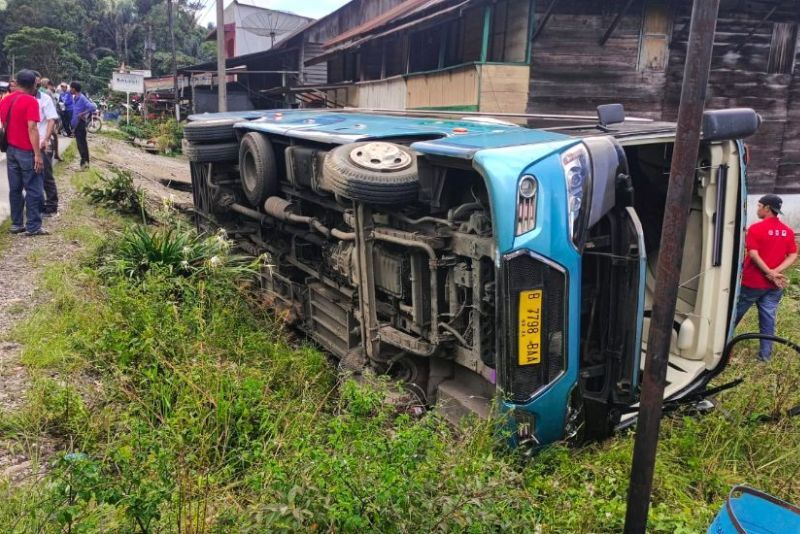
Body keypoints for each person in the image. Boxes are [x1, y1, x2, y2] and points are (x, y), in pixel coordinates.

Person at [735, 194, 798, 361]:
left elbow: (753, 254)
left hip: (752, 283)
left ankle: (720, 354)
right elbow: (793, 255)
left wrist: (770, 272)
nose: (758, 209)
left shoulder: (755, 229)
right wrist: (775, 272)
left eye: (759, 206)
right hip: (773, 286)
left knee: (732, 318)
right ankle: (765, 357)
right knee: (768, 320)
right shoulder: (788, 231)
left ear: (767, 208)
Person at [0, 70, 46, 236]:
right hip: (26, 151)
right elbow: (32, 128)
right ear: (33, 85)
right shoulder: (31, 101)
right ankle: (33, 226)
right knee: (34, 189)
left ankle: (16, 224)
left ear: (17, 82)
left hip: (10, 150)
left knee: (15, 189)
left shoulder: (5, 100)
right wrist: (38, 155)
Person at [34, 73, 60, 216]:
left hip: (43, 142)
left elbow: (52, 119)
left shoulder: (45, 98)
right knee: (33, 176)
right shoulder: (25, 99)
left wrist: (46, 138)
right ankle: (38, 204)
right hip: (29, 143)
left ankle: (51, 205)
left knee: (46, 175)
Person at [69, 81, 96, 168]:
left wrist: (83, 113)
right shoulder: (76, 97)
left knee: (81, 144)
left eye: (71, 88)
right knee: (81, 144)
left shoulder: (82, 98)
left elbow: (93, 107)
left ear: (74, 89)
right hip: (77, 124)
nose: (70, 89)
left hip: (80, 124)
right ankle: (85, 163)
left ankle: (84, 163)